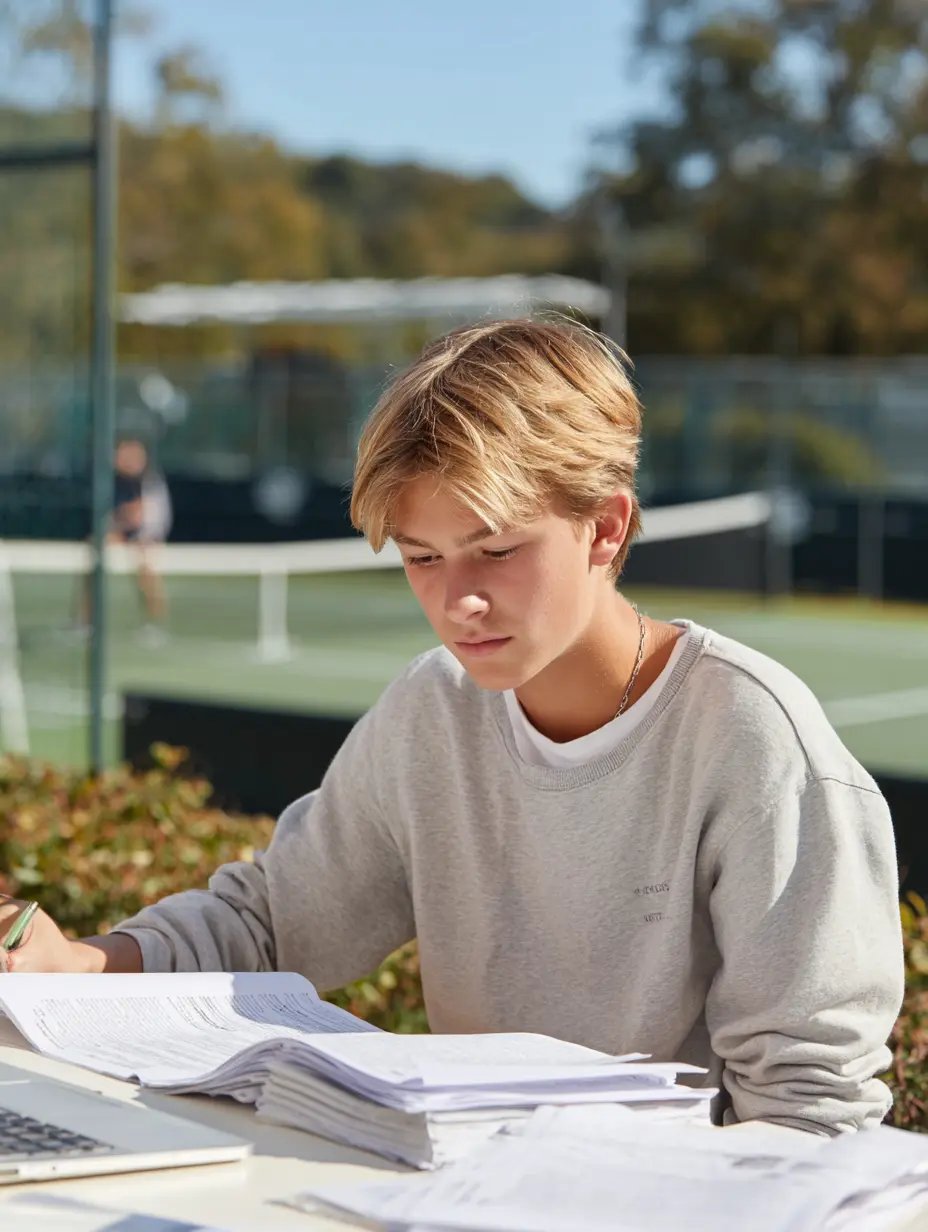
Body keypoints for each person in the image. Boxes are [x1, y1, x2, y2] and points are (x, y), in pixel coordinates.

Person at [0, 320, 904, 1135]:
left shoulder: (756, 742)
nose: (457, 601)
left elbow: (810, 1118)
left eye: (497, 550)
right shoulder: (433, 709)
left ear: (605, 528)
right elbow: (272, 923)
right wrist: (79, 965)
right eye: (422, 558)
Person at [112, 438, 171, 646]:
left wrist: (120, 521)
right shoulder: (118, 481)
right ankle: (84, 623)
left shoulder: (148, 482)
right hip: (130, 537)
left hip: (147, 539)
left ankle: (154, 624)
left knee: (148, 573)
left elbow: (140, 517)